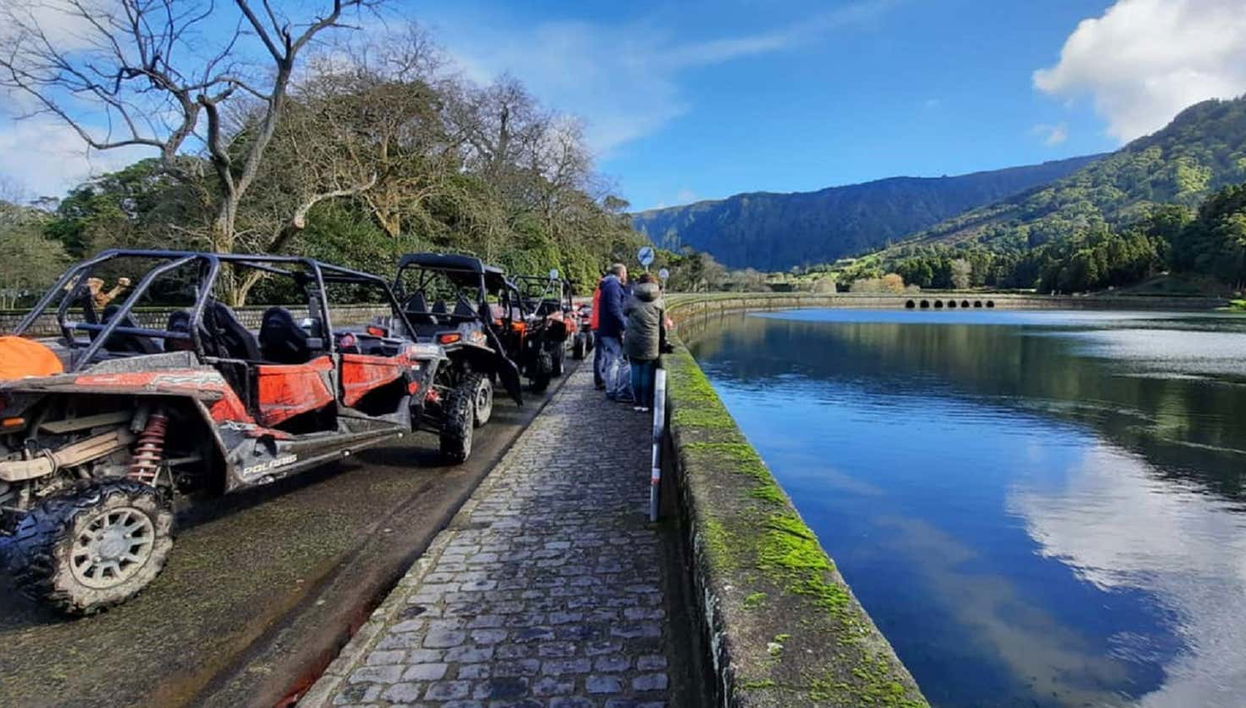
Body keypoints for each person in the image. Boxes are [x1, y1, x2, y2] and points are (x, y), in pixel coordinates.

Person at [624, 273, 666, 412]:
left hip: (633, 340)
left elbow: (624, 312)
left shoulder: (632, 299)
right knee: (647, 372)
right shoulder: (659, 300)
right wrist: (663, 341)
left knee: (635, 370)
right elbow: (662, 325)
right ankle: (646, 404)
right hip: (651, 340)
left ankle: (637, 402)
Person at [596, 263, 631, 402]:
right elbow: (615, 309)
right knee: (622, 362)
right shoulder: (613, 286)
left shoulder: (608, 285)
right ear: (621, 273)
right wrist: (624, 326)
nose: (626, 276)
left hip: (606, 329)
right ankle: (621, 392)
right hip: (612, 331)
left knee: (612, 360)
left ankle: (611, 390)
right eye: (625, 273)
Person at [590, 271, 606, 389]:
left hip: (596, 324)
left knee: (599, 355)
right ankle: (600, 380)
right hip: (601, 325)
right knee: (601, 355)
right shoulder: (604, 291)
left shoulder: (598, 290)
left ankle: (599, 380)